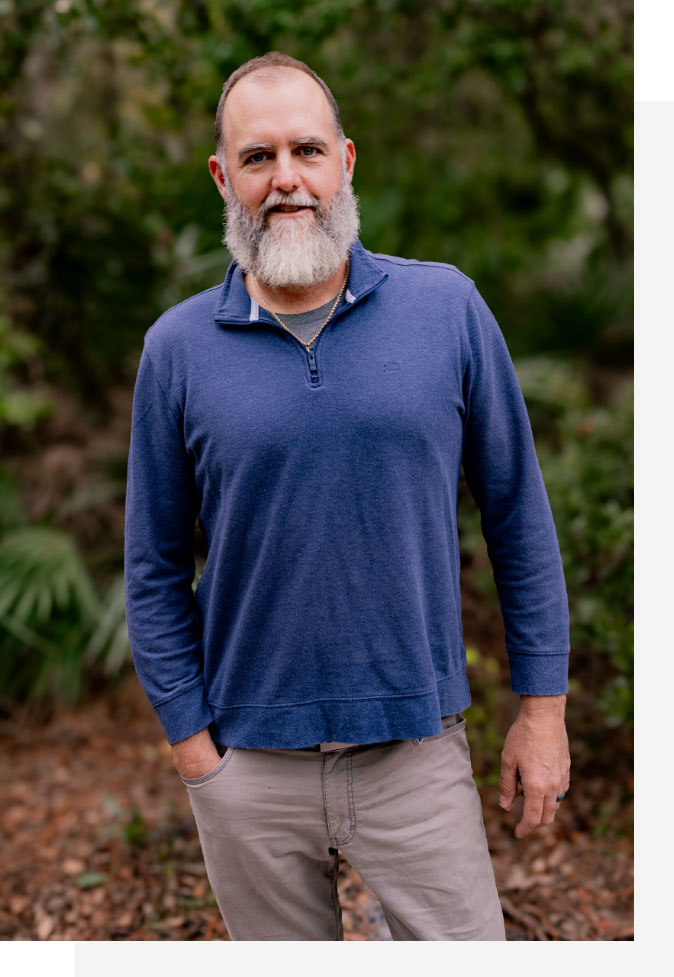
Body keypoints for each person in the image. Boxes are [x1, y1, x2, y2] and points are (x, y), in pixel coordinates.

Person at [124, 52, 570, 942]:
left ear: (347, 161)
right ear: (223, 177)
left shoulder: (446, 310)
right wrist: (194, 747)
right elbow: (152, 567)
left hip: (415, 749)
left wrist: (542, 710)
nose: (286, 179)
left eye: (307, 150)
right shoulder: (176, 350)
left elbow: (519, 516)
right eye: (257, 158)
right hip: (246, 762)